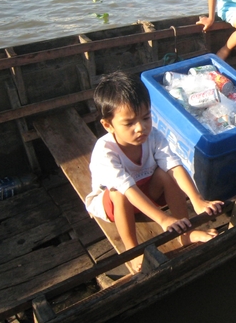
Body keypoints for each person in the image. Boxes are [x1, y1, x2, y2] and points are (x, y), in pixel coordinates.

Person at [85, 71, 223, 273]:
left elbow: (174, 166)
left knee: (165, 174)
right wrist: (163, 219)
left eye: (146, 117)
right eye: (129, 123)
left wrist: (197, 200)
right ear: (108, 125)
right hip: (115, 204)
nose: (140, 128)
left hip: (147, 193)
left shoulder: (154, 136)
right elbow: (128, 190)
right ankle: (132, 252)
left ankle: (186, 234)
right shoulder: (105, 152)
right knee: (118, 192)